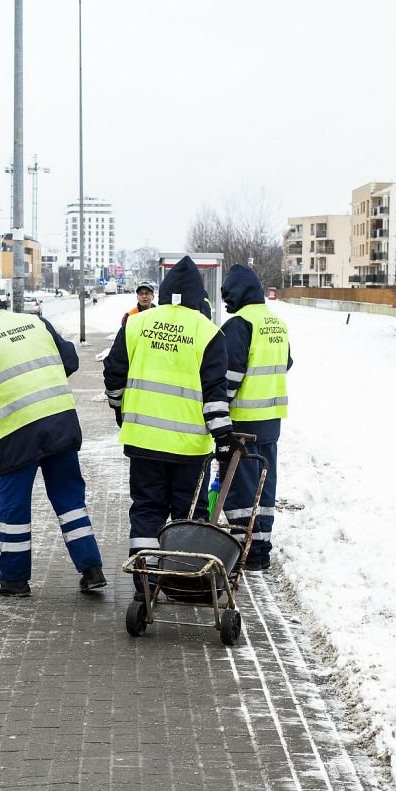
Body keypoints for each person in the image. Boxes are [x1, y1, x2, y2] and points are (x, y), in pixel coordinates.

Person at [0, 280, 107, 597]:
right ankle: (92, 569)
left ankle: (13, 578)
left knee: (13, 508)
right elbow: (70, 361)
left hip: (16, 434)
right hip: (60, 422)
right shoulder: (35, 322)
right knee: (70, 500)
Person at [102, 256, 236, 598]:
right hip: (189, 448)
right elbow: (214, 393)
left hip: (143, 441)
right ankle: (184, 581)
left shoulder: (137, 324)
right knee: (188, 514)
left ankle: (144, 583)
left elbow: (114, 373)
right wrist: (223, 436)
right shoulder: (208, 332)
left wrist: (120, 407)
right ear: (199, 295)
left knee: (146, 510)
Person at [218, 263, 292, 571]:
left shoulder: (239, 324)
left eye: (228, 294)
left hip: (243, 421)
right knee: (264, 486)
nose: (225, 301)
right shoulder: (276, 322)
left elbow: (229, 377)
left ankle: (242, 550)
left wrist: (218, 409)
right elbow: (286, 363)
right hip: (271, 420)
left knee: (240, 487)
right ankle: (260, 549)